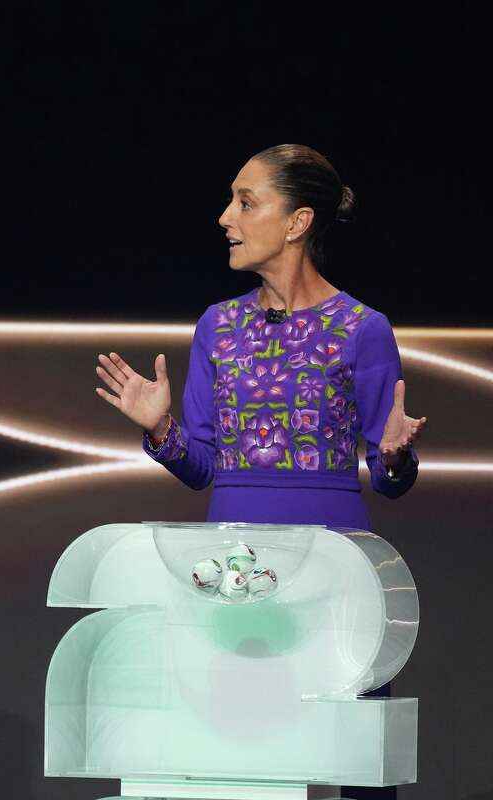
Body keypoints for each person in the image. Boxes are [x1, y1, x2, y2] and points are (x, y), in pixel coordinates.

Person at [94, 144, 426, 800]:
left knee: (351, 758)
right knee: (238, 754)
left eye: (246, 202)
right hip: (236, 568)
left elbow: (390, 477)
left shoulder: (362, 329)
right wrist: (160, 430)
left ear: (298, 222)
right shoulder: (218, 327)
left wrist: (393, 458)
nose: (226, 217)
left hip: (334, 570)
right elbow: (202, 467)